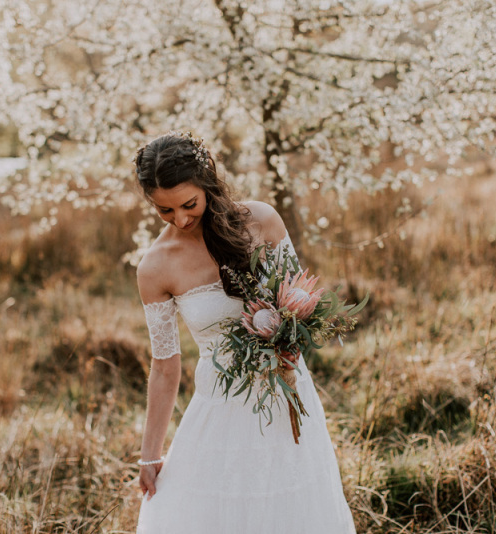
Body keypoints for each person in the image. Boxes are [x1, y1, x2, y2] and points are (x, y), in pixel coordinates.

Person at [134, 131, 356, 533]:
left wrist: (291, 347)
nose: (181, 219)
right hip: (221, 404)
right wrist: (150, 454)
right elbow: (165, 367)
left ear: (207, 182)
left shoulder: (263, 221)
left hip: (287, 390)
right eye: (164, 211)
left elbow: (299, 301)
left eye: (188, 204)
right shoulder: (154, 268)